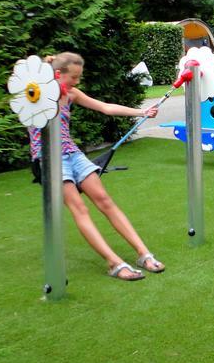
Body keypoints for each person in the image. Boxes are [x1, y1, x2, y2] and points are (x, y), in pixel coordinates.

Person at [30, 52, 165, 281]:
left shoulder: (71, 93)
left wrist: (142, 112)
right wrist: (42, 66)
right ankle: (114, 263)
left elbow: (105, 107)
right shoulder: (36, 93)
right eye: (74, 77)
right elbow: (18, 77)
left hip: (72, 153)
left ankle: (144, 254)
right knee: (80, 209)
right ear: (58, 74)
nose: (77, 81)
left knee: (105, 201)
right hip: (48, 158)